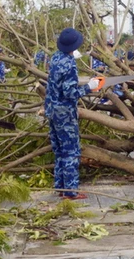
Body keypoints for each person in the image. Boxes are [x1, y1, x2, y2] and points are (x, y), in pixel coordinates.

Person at [45, 28, 104, 200]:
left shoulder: (55, 58)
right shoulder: (69, 64)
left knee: (59, 150)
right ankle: (71, 191)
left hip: (52, 110)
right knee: (71, 151)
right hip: (65, 114)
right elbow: (70, 93)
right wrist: (90, 87)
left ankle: (61, 187)